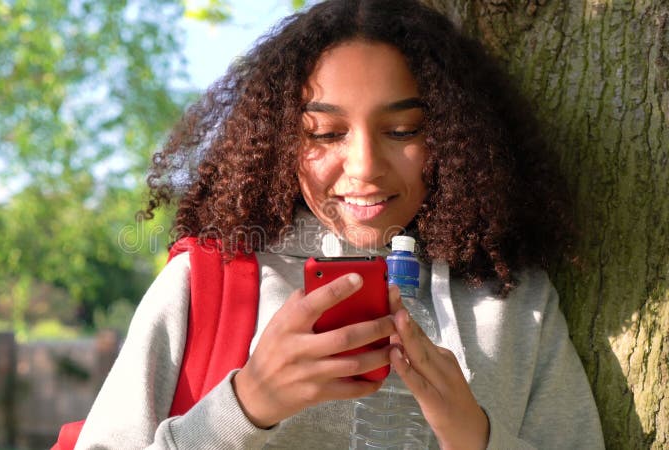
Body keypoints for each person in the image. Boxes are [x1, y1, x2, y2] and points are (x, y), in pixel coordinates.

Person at [75, 0, 604, 448]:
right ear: (281, 142)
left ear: (455, 134)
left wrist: (476, 437)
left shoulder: (516, 298)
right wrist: (245, 405)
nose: (365, 165)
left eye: (402, 129)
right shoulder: (206, 283)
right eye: (326, 134)